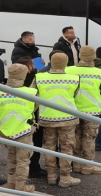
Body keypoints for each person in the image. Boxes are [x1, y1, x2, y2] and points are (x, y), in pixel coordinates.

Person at [35, 53, 81, 188]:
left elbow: (34, 97)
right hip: (68, 118)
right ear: (66, 63)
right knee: (67, 148)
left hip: (47, 118)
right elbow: (75, 95)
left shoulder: (39, 77)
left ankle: (51, 175)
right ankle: (65, 177)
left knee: (49, 147)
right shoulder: (74, 78)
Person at [0, 64, 38, 192]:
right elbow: (35, 107)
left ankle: (11, 183)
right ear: (23, 75)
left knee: (11, 156)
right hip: (24, 129)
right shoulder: (31, 92)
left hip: (5, 130)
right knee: (23, 160)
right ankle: (21, 187)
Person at [66, 46, 101, 175]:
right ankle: (88, 166)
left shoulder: (68, 70)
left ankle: (77, 164)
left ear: (80, 56)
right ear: (93, 57)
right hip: (92, 111)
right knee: (89, 138)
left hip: (72, 110)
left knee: (76, 137)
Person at [15, 56, 47, 178]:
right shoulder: (36, 78)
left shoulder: (14, 80)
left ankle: (22, 168)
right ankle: (34, 168)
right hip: (34, 116)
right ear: (28, 67)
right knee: (36, 143)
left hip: (17, 116)